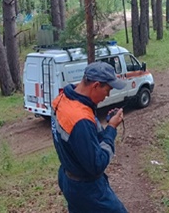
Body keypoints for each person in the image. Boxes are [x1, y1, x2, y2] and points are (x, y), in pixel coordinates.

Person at [51, 61, 128, 213]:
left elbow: (84, 140)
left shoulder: (62, 99)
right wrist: (111, 129)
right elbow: (96, 164)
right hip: (86, 188)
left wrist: (105, 127)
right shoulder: (80, 120)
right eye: (108, 90)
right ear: (96, 86)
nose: (107, 96)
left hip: (68, 178)